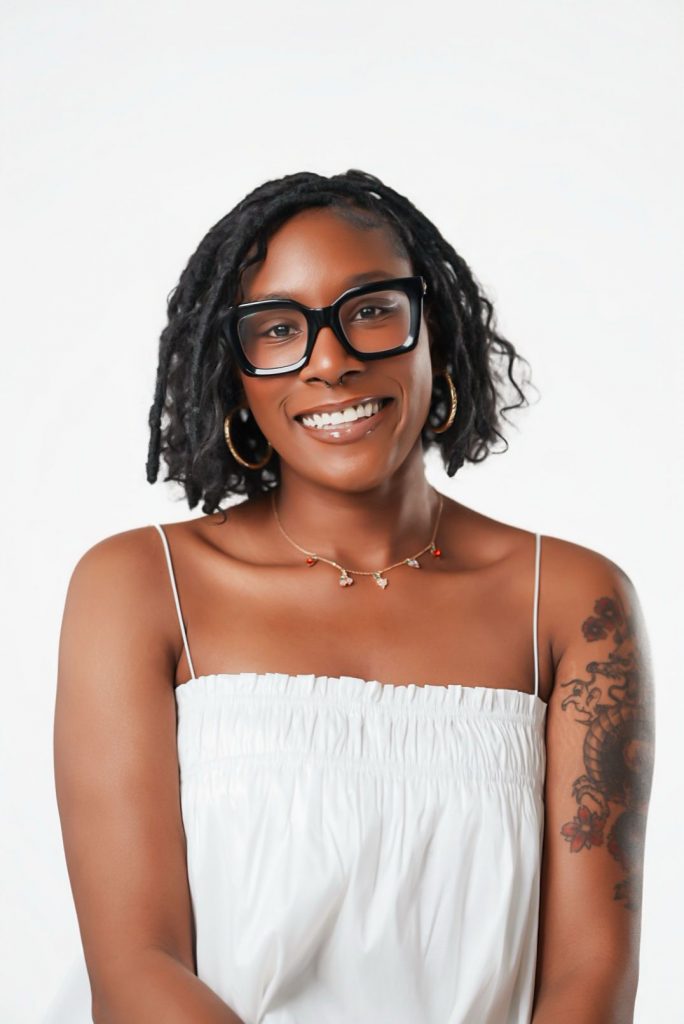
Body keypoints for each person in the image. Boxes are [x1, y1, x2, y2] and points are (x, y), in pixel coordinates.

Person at [53, 169, 655, 1023]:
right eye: (277, 328)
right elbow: (134, 968)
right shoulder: (139, 587)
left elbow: (589, 978)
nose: (331, 361)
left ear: (433, 328)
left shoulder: (570, 604)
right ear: (234, 370)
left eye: (370, 309)